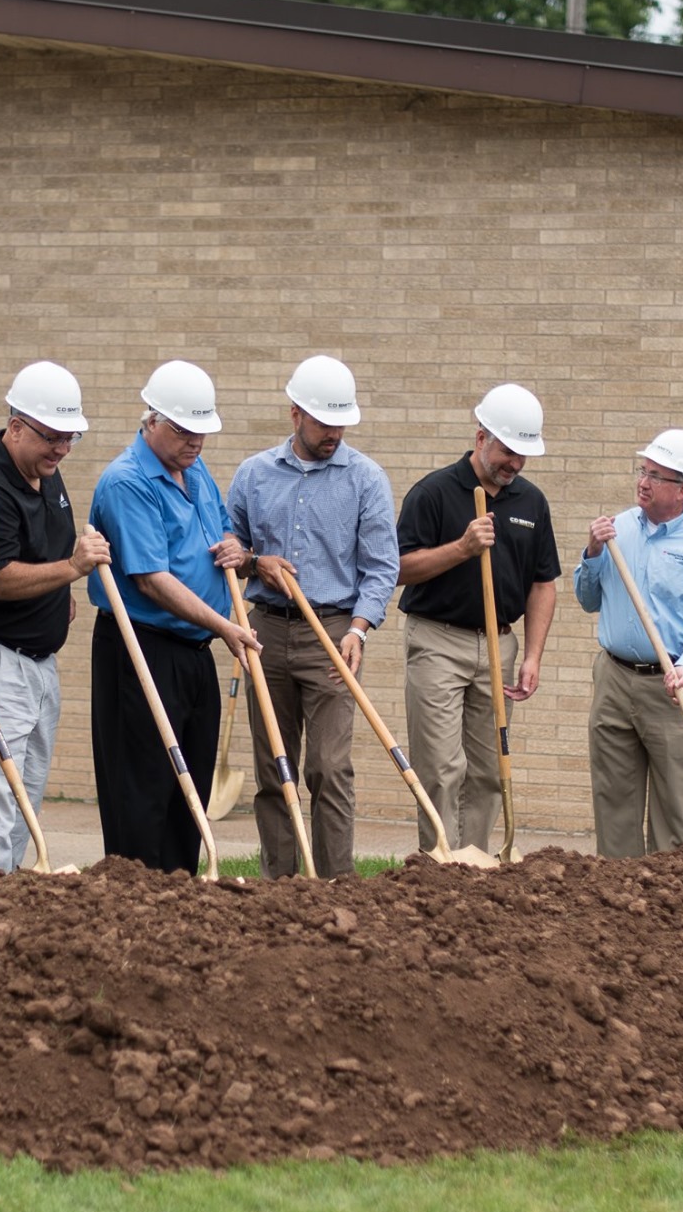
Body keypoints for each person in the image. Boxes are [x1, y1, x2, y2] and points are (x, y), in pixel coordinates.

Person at [226, 356, 400, 879]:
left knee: (328, 767)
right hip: (266, 630)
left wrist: (359, 629)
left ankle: (336, 888)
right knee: (273, 768)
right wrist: (256, 562)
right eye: (325, 422)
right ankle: (279, 886)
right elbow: (229, 546)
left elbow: (381, 567)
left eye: (341, 422)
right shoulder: (253, 474)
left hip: (333, 633)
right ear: (295, 413)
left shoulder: (366, 478)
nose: (335, 433)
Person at [87, 359, 259, 873]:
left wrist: (234, 548)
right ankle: (137, 901)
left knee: (192, 786)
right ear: (153, 420)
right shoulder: (127, 482)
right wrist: (225, 625)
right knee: (143, 786)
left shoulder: (195, 468)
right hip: (141, 647)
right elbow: (151, 579)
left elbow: (221, 531)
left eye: (203, 433)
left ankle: (182, 898)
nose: (196, 443)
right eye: (185, 432)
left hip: (195, 650)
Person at [0, 361, 109, 877]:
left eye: (70, 439)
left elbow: (45, 551)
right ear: (16, 426)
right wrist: (70, 569)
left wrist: (58, 589)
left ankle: (10, 900)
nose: (61, 449)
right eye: (52, 438)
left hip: (40, 665)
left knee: (27, 794)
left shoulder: (45, 470)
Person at [395, 383, 560, 854]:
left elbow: (543, 583)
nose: (515, 464)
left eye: (524, 456)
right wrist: (462, 549)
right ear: (481, 436)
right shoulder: (434, 493)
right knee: (443, 768)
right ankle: (441, 863)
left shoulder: (531, 502)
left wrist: (531, 656)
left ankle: (477, 863)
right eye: (509, 452)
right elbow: (400, 569)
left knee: (489, 769)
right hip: (437, 642)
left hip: (498, 645)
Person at [574, 429, 683, 858]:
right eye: (643, 471)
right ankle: (617, 897)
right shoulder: (617, 530)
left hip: (672, 686)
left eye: (656, 476)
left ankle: (664, 906)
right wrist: (591, 554)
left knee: (672, 810)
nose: (643, 482)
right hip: (613, 679)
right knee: (614, 801)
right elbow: (588, 600)